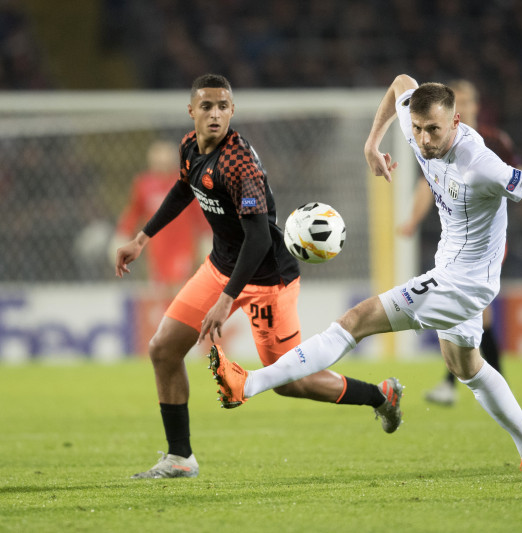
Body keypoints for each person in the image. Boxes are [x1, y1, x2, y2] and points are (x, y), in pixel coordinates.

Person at [209, 74, 522, 481]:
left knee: (354, 321)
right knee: (468, 368)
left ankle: (248, 383)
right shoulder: (417, 124)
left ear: (455, 121)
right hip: (451, 269)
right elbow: (400, 81)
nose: (423, 140)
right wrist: (371, 142)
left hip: (465, 283)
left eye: (434, 130)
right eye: (418, 129)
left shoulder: (481, 164)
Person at [115, 74, 404, 480]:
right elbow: (184, 189)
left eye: (222, 106)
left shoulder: (239, 164)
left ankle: (380, 395)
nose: (215, 114)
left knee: (290, 382)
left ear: (232, 111)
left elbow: (255, 239)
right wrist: (142, 238)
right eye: (206, 106)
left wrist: (225, 299)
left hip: (268, 279)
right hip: (220, 267)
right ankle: (180, 457)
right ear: (191, 111)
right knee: (163, 349)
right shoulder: (188, 147)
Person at [397, 79, 522, 406]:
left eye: (471, 101)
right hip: (454, 241)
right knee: (474, 318)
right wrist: (414, 220)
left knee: (475, 313)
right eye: (462, 101)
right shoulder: (433, 138)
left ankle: (463, 382)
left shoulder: (494, 143)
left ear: (472, 107)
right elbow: (422, 183)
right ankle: (480, 381)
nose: (467, 106)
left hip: (486, 244)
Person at [114, 140, 207, 289]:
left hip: (182, 245)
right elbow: (133, 213)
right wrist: (123, 234)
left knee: (179, 285)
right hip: (156, 248)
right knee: (159, 287)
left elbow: (200, 214)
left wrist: (206, 237)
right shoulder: (143, 184)